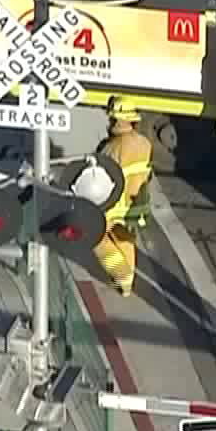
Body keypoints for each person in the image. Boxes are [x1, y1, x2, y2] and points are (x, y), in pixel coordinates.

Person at [91, 96, 155, 296]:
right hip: (137, 205)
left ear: (116, 120)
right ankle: (127, 285)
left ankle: (122, 275)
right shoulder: (145, 143)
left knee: (97, 239)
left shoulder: (111, 148)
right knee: (125, 239)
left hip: (114, 207)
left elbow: (100, 179)